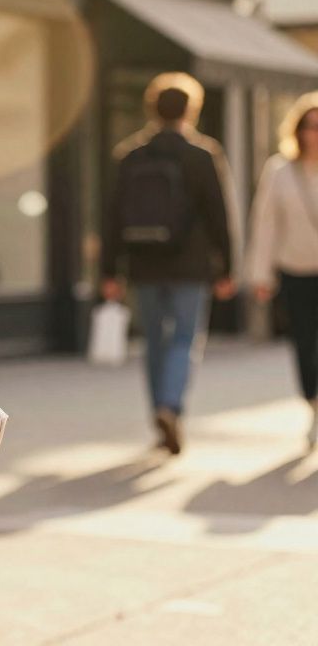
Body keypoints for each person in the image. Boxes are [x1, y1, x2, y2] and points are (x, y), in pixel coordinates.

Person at [102, 76, 236, 456]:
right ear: (191, 110)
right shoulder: (202, 154)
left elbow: (111, 217)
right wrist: (227, 267)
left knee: (154, 343)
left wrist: (109, 272)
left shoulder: (131, 155)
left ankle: (159, 414)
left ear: (152, 108)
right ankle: (170, 406)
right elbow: (219, 215)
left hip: (143, 265)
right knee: (183, 339)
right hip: (190, 266)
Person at [245, 91, 318, 450]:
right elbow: (266, 223)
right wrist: (261, 274)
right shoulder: (279, 170)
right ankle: (313, 404)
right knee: (305, 342)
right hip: (295, 268)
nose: (315, 134)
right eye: (310, 127)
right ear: (298, 131)